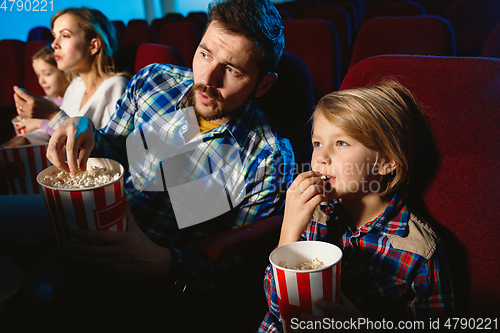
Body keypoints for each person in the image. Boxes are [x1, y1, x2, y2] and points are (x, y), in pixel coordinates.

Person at [1, 0, 293, 331]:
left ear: (264, 85)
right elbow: (116, 149)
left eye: (232, 70)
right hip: (94, 218)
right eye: (205, 54)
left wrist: (163, 262)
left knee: (36, 304)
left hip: (152, 272)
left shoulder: (267, 158)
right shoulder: (155, 82)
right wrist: (87, 130)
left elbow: (242, 265)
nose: (207, 79)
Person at [259, 81, 455, 333]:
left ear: (385, 162)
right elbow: (277, 310)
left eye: (341, 143)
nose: (320, 157)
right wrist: (289, 234)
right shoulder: (312, 215)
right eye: (317, 143)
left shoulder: (420, 252)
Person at [3, 7, 129, 148]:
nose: (54, 44)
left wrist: (52, 115)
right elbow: (55, 132)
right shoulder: (76, 85)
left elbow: (109, 149)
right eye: (55, 36)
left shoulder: (116, 85)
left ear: (93, 46)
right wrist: (24, 140)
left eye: (65, 35)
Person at [19, 45, 71, 134]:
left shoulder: (72, 101)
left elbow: (71, 131)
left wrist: (39, 123)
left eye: (47, 74)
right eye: (38, 75)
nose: (41, 81)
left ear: (64, 72)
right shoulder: (44, 101)